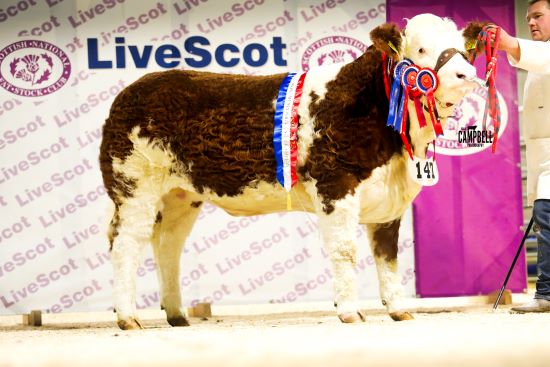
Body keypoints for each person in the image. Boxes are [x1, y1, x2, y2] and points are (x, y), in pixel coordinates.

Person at [489, 0, 550, 312]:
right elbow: (531, 59)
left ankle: (547, 293)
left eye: (538, 16)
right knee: (545, 219)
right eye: (529, 18)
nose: (532, 23)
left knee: (546, 214)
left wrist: (509, 42)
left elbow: (537, 56)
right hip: (543, 157)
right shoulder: (539, 60)